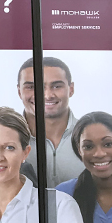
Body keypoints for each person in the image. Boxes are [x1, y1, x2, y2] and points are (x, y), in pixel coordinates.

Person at [57, 112, 112, 223]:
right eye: (88, 146)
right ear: (79, 151)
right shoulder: (63, 195)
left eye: (107, 144)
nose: (99, 154)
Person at [17, 57, 84, 187]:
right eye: (32, 86)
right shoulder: (4, 140)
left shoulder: (94, 136)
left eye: (56, 86)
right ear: (19, 91)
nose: (47, 95)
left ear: (71, 89)